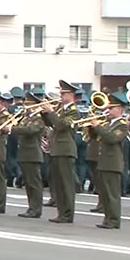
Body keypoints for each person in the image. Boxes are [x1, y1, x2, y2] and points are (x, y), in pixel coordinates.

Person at [41, 80, 81, 223]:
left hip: (66, 150)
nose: (61, 96)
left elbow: (60, 125)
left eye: (64, 94)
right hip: (56, 149)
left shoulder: (74, 111)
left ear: (71, 95)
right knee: (58, 184)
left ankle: (68, 214)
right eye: (61, 93)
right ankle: (61, 212)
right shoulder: (60, 109)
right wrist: (44, 112)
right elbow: (50, 123)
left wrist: (51, 112)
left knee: (66, 184)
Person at [89, 93, 129, 229]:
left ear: (120, 109)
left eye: (112, 108)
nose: (108, 111)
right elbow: (96, 137)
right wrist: (91, 127)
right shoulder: (107, 123)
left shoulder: (122, 125)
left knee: (112, 194)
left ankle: (114, 220)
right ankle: (107, 218)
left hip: (113, 164)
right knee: (104, 194)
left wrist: (98, 127)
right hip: (104, 162)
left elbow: (112, 138)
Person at [12, 92, 47, 218]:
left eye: (28, 104)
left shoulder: (39, 119)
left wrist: (13, 129)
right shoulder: (26, 118)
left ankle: (36, 209)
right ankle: (31, 207)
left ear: (35, 106)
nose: (26, 107)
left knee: (34, 183)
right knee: (28, 183)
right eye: (25, 104)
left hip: (33, 154)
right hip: (24, 153)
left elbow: (30, 130)